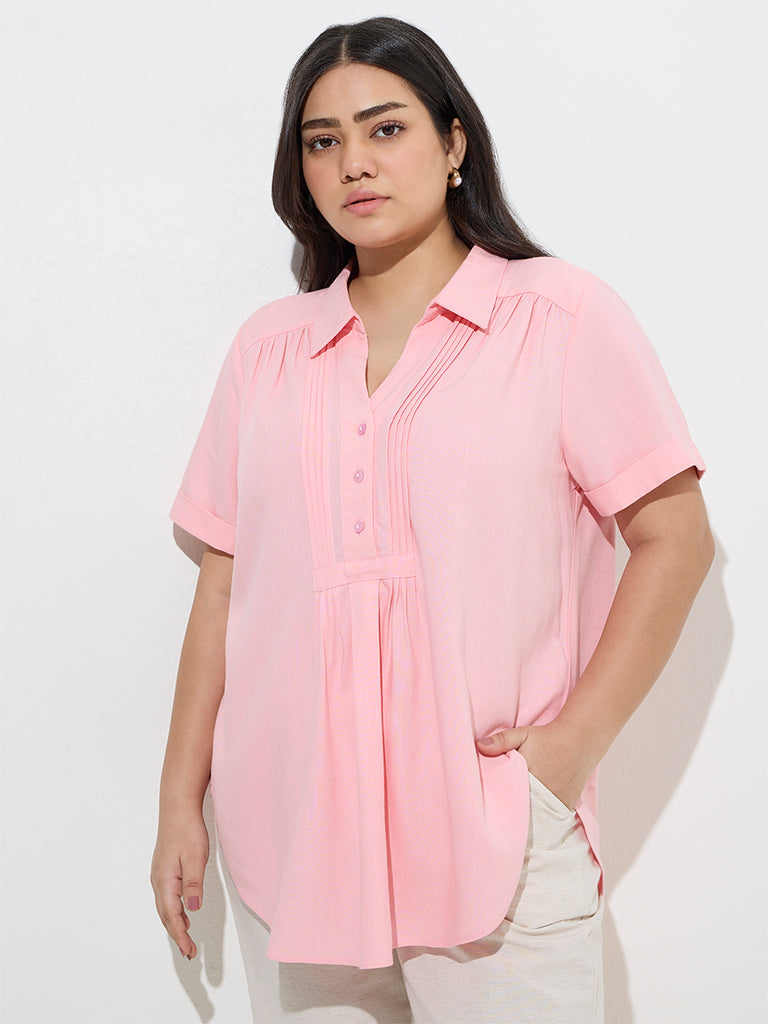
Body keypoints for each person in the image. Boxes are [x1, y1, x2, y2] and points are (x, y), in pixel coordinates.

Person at [150, 15, 714, 1024]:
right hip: (302, 841)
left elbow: (676, 537)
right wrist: (177, 804)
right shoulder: (269, 351)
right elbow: (225, 583)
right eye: (322, 141)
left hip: (494, 842)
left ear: (455, 143)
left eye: (386, 128)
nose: (353, 164)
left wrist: (567, 752)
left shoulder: (558, 317)